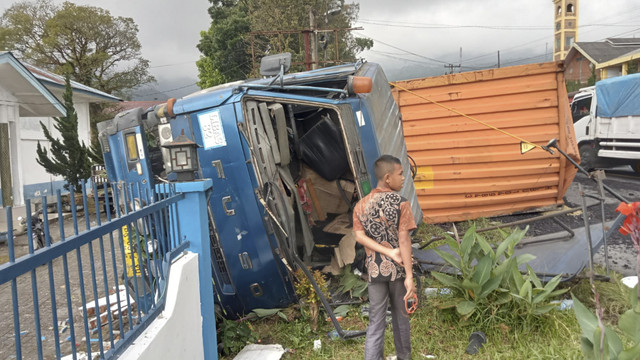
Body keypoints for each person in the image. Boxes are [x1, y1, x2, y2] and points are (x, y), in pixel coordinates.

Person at [353, 155, 417, 360]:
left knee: (376, 321)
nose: (404, 178)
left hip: (374, 272)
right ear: (388, 178)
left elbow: (359, 236)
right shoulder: (402, 204)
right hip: (398, 271)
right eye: (400, 174)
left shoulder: (361, 205)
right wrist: (409, 275)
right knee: (401, 318)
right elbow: (404, 240)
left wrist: (383, 251)